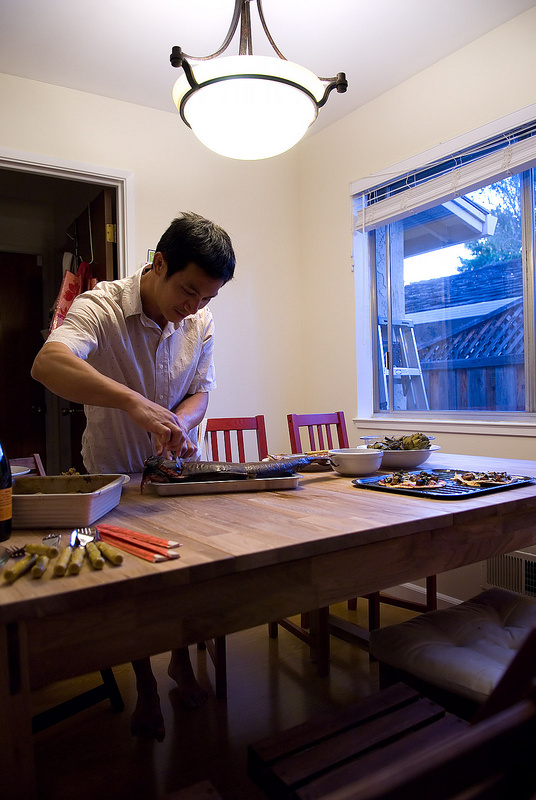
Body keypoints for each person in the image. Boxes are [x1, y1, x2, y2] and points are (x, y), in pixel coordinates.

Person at [31, 211, 236, 740]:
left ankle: (181, 663)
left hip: (178, 473)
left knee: (189, 574)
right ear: (159, 263)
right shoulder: (99, 307)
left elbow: (202, 391)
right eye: (188, 291)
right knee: (137, 589)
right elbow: (48, 363)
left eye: (206, 299)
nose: (193, 308)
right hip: (114, 476)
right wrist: (136, 405)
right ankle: (145, 683)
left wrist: (180, 423)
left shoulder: (200, 320)